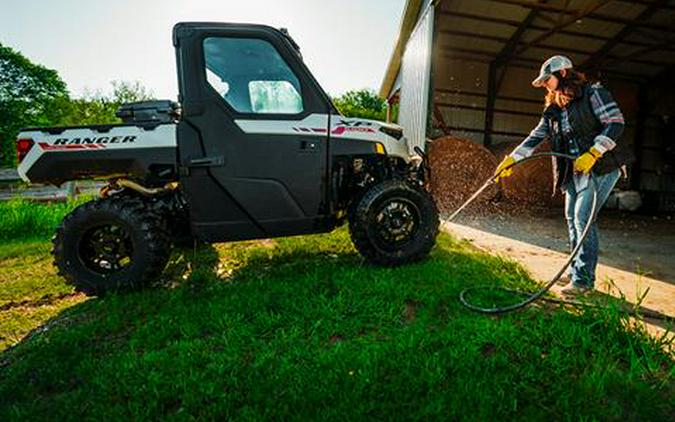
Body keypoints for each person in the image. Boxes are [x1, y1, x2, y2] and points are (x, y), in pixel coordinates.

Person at [494, 55, 632, 296]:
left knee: (582, 219)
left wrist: (594, 151)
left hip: (600, 166)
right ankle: (575, 268)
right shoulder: (555, 109)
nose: (546, 84)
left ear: (564, 74)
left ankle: (583, 281)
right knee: (571, 217)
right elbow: (536, 136)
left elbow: (615, 123)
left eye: (548, 79)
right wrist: (513, 159)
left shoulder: (593, 93)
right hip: (574, 169)